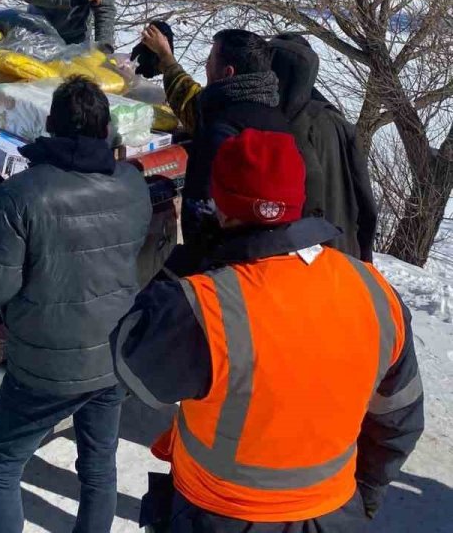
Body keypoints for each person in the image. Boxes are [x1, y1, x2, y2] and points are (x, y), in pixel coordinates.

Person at [112, 128, 423, 532]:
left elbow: (131, 359)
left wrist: (181, 267)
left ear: (220, 207)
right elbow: (401, 419)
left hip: (218, 515)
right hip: (333, 513)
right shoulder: (376, 292)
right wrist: (361, 497)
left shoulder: (203, 306)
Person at [0, 76, 153, 533]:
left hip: (45, 365)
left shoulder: (22, 194)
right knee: (98, 468)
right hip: (111, 355)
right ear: (106, 130)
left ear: (49, 124)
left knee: (1, 466)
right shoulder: (132, 185)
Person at [143, 24, 376, 262]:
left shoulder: (279, 128)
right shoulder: (324, 118)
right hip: (324, 253)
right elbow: (366, 202)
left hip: (295, 254)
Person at [140, 26, 292, 271]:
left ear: (227, 73)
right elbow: (190, 99)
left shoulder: (223, 127)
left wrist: (198, 255)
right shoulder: (274, 114)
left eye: (210, 60)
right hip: (265, 254)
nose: (206, 67)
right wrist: (166, 59)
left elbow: (206, 201)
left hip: (223, 260)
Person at [269, 32, 378, 261]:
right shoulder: (338, 121)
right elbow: (367, 205)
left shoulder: (290, 125)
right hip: (346, 251)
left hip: (309, 257)